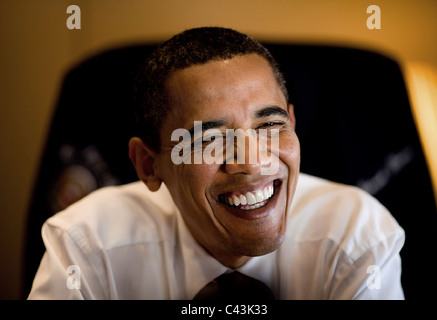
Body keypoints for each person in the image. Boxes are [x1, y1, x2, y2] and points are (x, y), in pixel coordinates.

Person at [28, 27, 405, 299]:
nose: (254, 162)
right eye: (210, 138)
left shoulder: (355, 237)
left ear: (292, 122)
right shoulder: (87, 246)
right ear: (147, 165)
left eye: (270, 124)